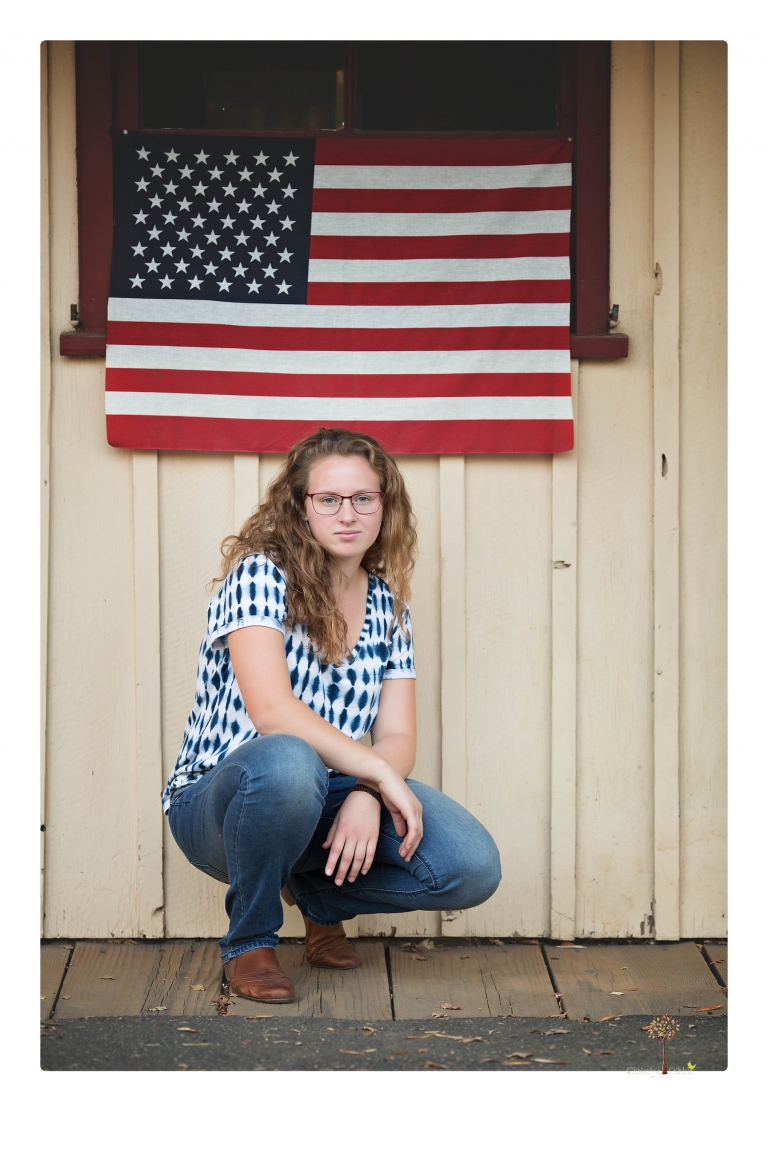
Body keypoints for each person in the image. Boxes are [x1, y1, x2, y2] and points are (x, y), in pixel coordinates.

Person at [163, 427, 501, 1003]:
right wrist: (381, 775)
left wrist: (369, 792)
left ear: (385, 507)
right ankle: (250, 943)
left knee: (469, 866)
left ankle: (316, 899)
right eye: (329, 499)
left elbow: (396, 732)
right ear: (300, 507)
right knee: (289, 760)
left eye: (364, 498)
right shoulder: (261, 574)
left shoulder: (387, 603)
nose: (348, 514)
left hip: (328, 790)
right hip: (220, 805)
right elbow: (272, 712)